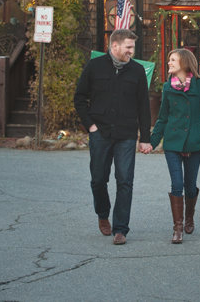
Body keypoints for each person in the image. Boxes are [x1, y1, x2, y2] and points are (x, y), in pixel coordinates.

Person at [74, 28, 151, 245]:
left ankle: (120, 229)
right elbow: (80, 98)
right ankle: (102, 213)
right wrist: (90, 126)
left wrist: (145, 137)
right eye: (128, 47)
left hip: (126, 134)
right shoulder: (94, 66)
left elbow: (143, 107)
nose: (131, 51)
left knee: (125, 181)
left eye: (133, 47)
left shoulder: (137, 71)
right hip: (100, 133)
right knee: (98, 179)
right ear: (114, 46)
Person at [150, 48, 200, 244]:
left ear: (185, 63)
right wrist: (152, 142)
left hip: (194, 144)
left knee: (189, 186)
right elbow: (162, 119)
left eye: (173, 60)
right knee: (176, 184)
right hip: (172, 143)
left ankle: (189, 217)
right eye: (169, 59)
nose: (169, 63)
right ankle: (177, 228)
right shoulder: (167, 87)